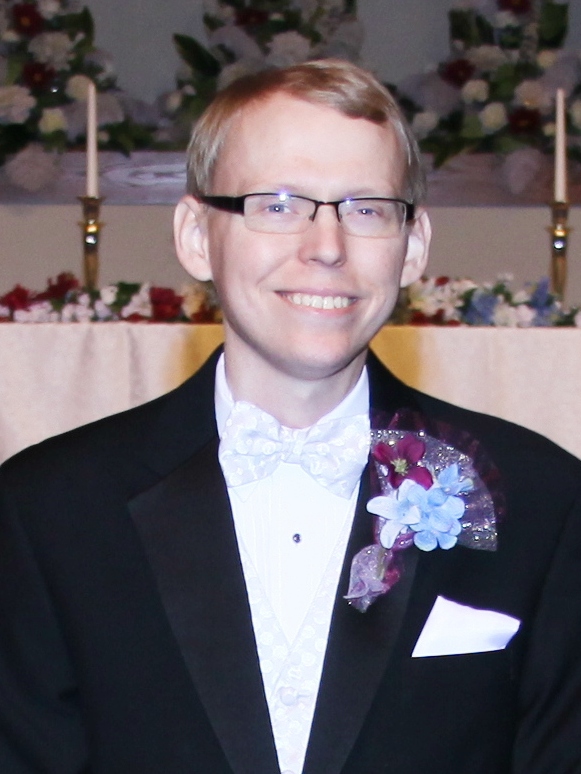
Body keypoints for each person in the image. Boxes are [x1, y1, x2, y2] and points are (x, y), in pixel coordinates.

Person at [0, 59, 580, 774]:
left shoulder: (540, 499)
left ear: (412, 247)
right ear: (195, 235)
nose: (327, 247)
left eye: (366, 208)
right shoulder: (48, 509)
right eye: (278, 205)